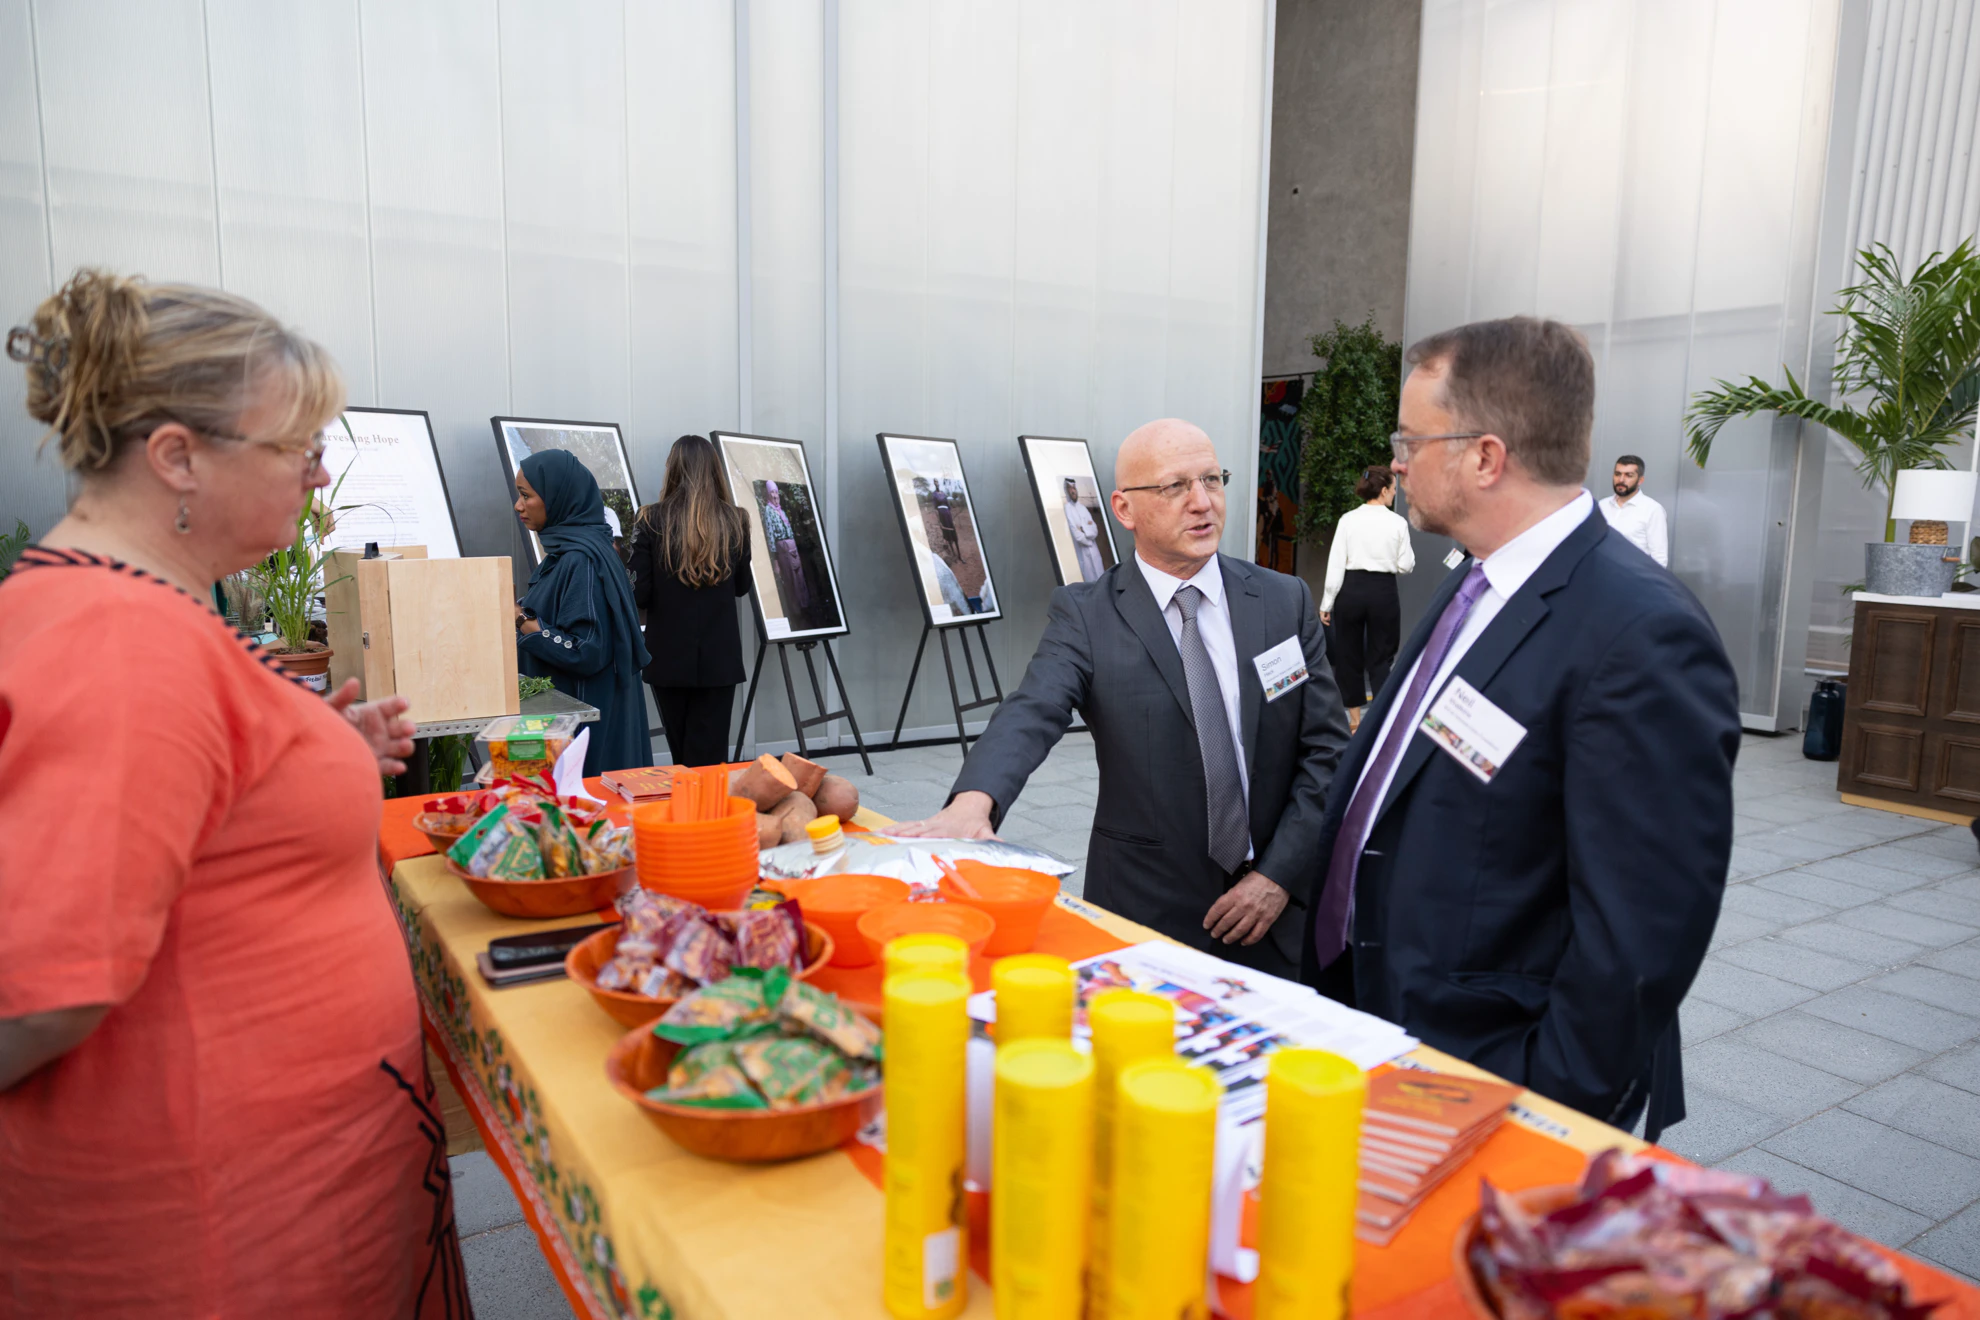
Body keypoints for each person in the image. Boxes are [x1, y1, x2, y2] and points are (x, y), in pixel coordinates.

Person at [0, 270, 471, 1315]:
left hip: (270, 1193)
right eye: (298, 448)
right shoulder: (120, 641)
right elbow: (43, 990)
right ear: (178, 457)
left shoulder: (136, 613)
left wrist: (313, 752)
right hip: (212, 1228)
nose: (318, 476)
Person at [1300, 317, 1739, 1143]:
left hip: (1491, 1071)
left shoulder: (1642, 635)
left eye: (1410, 439)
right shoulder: (1477, 579)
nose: (1397, 461)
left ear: (1486, 457)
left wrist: (1543, 1108)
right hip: (1386, 1019)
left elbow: (1639, 936)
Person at [893, 418, 1352, 977]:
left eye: (1212, 479)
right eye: (1175, 486)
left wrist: (1278, 876)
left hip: (1277, 919)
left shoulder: (1283, 601)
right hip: (1145, 914)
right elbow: (1033, 708)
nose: (1202, 502)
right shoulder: (1087, 615)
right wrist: (974, 801)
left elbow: (1327, 751)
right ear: (1124, 509)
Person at [514, 449, 653, 775]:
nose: (518, 506)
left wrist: (522, 620)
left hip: (582, 730)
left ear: (557, 497)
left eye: (526, 495)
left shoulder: (583, 561)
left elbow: (586, 650)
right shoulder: (568, 553)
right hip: (570, 720)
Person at [630, 435, 750, 767]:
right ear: (714, 470)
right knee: (711, 756)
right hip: (720, 657)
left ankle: (687, 799)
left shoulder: (650, 519)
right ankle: (708, 801)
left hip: (667, 656)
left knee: (681, 753)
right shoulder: (736, 520)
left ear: (673, 469)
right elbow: (742, 586)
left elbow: (640, 593)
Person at [1320, 464, 1415, 717]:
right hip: (1383, 591)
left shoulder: (1348, 520)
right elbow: (1406, 565)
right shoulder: (1397, 523)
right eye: (1393, 489)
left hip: (1350, 589)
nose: (1394, 493)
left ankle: (1354, 720)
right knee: (1381, 656)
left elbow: (1336, 564)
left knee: (1348, 654)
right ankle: (1379, 718)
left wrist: (1327, 603)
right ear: (1383, 490)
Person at [1598, 453, 1668, 566]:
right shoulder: (1602, 505)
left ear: (1640, 480)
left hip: (1633, 575)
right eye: (1617, 474)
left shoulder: (1652, 510)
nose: (1621, 480)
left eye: (1628, 475)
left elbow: (1659, 557)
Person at [762, 479, 812, 614]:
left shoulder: (781, 511)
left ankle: (806, 606)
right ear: (768, 495)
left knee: (799, 577)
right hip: (783, 550)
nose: (775, 496)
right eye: (772, 493)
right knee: (791, 580)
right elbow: (770, 535)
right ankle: (797, 611)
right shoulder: (768, 511)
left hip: (792, 548)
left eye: (776, 492)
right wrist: (775, 561)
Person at [1063, 478, 1106, 582]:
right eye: (1070, 488)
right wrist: (1089, 538)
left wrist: (1083, 529)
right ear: (1067, 491)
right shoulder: (1067, 509)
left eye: (1074, 488)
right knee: (1090, 582)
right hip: (1083, 554)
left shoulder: (1083, 508)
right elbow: (1076, 534)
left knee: (1101, 579)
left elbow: (1094, 530)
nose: (1073, 491)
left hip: (1094, 552)